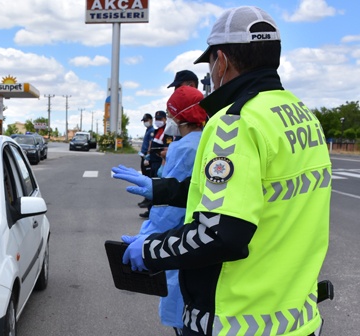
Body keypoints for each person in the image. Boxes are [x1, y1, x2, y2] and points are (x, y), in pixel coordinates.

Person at [115, 6, 331, 335]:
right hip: (297, 317)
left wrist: (150, 249)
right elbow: (246, 194)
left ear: (222, 61)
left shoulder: (235, 122)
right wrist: (163, 189)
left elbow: (218, 235)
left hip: (237, 321)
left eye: (212, 63)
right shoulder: (300, 115)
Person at [116, 86, 207, 336]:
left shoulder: (183, 147)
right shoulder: (210, 138)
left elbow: (169, 205)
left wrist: (148, 235)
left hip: (179, 238)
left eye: (170, 115)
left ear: (178, 117)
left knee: (182, 312)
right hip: (204, 235)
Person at [137, 113, 155, 209]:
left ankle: (148, 200)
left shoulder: (152, 131)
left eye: (146, 120)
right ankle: (145, 199)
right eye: (144, 121)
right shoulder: (148, 130)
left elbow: (150, 144)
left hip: (147, 157)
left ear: (151, 120)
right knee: (144, 177)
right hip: (143, 156)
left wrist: (148, 156)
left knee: (147, 178)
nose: (145, 122)